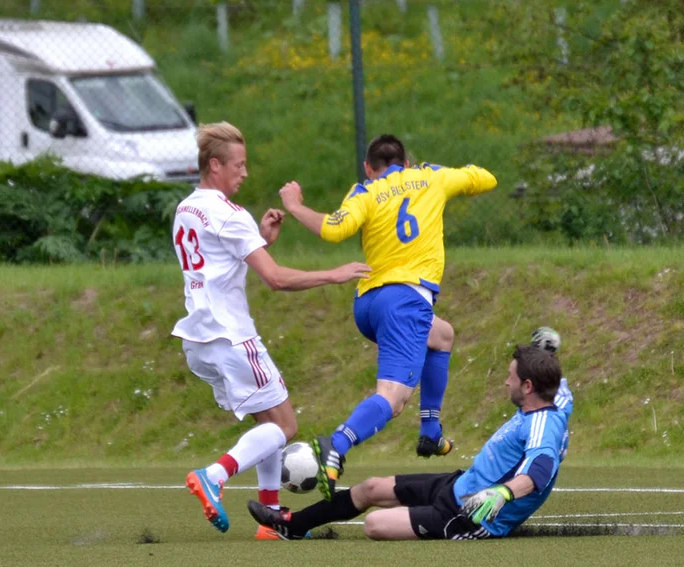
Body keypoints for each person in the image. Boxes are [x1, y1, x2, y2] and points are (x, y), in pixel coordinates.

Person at [172, 121, 371, 538]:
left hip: (198, 338)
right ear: (214, 166)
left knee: (267, 421)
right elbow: (276, 279)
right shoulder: (230, 214)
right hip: (231, 337)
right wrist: (334, 274)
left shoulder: (187, 209)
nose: (245, 173)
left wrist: (260, 239)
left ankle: (271, 519)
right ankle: (215, 475)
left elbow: (219, 262)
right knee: (284, 426)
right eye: (239, 166)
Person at [278, 134, 498, 500]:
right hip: (406, 302)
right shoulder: (431, 177)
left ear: (369, 167)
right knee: (393, 399)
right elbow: (486, 178)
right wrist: (448, 174)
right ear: (407, 162)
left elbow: (334, 230)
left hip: (368, 303)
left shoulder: (365, 191)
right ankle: (336, 443)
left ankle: (430, 431)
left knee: (442, 335)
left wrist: (296, 205)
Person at [246, 341, 574, 540]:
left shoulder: (543, 425)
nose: (505, 382)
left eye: (511, 377)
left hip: (470, 516)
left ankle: (423, 516)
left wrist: (502, 493)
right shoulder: (556, 394)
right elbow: (556, 379)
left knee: (375, 525)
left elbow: (540, 471)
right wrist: (543, 350)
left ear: (528, 387)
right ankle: (291, 526)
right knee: (371, 488)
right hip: (461, 484)